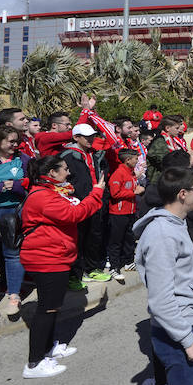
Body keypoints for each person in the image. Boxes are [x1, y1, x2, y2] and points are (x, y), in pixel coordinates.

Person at [134, 167, 193, 385]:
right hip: (180, 331)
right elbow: (160, 300)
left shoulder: (175, 224)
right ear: (182, 194)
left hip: (185, 325)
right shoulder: (162, 234)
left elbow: (174, 270)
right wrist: (188, 341)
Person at [19, 155, 105, 378]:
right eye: (64, 169)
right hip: (46, 259)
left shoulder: (51, 192)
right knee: (46, 309)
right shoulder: (43, 197)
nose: (68, 173)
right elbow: (73, 214)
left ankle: (49, 348)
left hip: (55, 256)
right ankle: (34, 363)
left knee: (52, 306)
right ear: (51, 174)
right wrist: (96, 193)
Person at [60, 123, 110, 288]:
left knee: (94, 237)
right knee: (77, 240)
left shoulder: (96, 154)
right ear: (76, 137)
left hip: (96, 203)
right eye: (86, 136)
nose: (90, 139)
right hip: (78, 205)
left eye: (92, 136)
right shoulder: (67, 156)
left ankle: (91, 269)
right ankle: (73, 275)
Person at [0, 125, 30, 317]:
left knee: (13, 254)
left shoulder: (22, 159)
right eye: (11, 141)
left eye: (17, 141)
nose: (16, 144)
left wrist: (15, 186)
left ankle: (14, 295)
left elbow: (30, 185)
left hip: (13, 213)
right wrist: (1, 188)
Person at [107, 148, 144, 283]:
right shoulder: (118, 173)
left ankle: (128, 262)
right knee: (116, 240)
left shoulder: (131, 172)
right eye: (135, 158)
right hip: (118, 213)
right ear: (128, 160)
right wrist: (133, 192)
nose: (137, 161)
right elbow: (115, 193)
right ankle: (114, 267)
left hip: (130, 211)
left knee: (129, 238)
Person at [146, 116, 188, 184]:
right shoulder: (160, 141)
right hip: (159, 181)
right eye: (176, 128)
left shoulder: (172, 140)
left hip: (170, 178)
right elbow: (166, 161)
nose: (179, 130)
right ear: (167, 128)